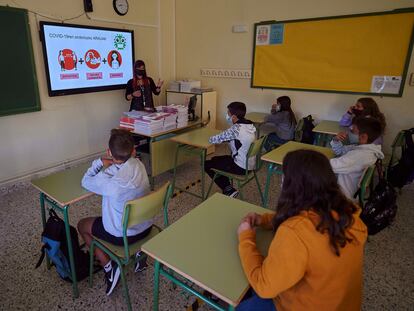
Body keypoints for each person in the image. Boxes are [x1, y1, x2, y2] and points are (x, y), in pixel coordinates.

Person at [237, 149, 368, 311]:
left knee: (242, 305)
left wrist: (245, 237)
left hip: (303, 305)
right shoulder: (349, 213)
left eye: (284, 176)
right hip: (342, 304)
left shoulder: (293, 232)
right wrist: (264, 220)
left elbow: (264, 287)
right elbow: (308, 218)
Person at [77, 129, 151, 296]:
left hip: (123, 236)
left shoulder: (108, 183)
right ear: (134, 151)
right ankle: (140, 257)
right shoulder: (139, 164)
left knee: (82, 225)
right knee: (130, 210)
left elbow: (85, 181)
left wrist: (99, 163)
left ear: (109, 152)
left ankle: (109, 267)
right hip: (146, 229)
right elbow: (123, 169)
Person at [205, 102, 256, 198]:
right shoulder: (249, 125)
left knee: (207, 164)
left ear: (234, 116)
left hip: (240, 167)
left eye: (228, 113)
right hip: (249, 164)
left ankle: (228, 190)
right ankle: (228, 187)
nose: (226, 115)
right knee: (215, 159)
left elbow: (213, 139)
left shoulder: (235, 129)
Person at [330, 116, 384, 199]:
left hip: (343, 195)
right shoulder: (365, 148)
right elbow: (340, 151)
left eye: (352, 131)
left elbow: (331, 166)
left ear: (363, 137)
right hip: (346, 187)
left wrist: (312, 159)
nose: (348, 133)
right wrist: (336, 140)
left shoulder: (360, 155)